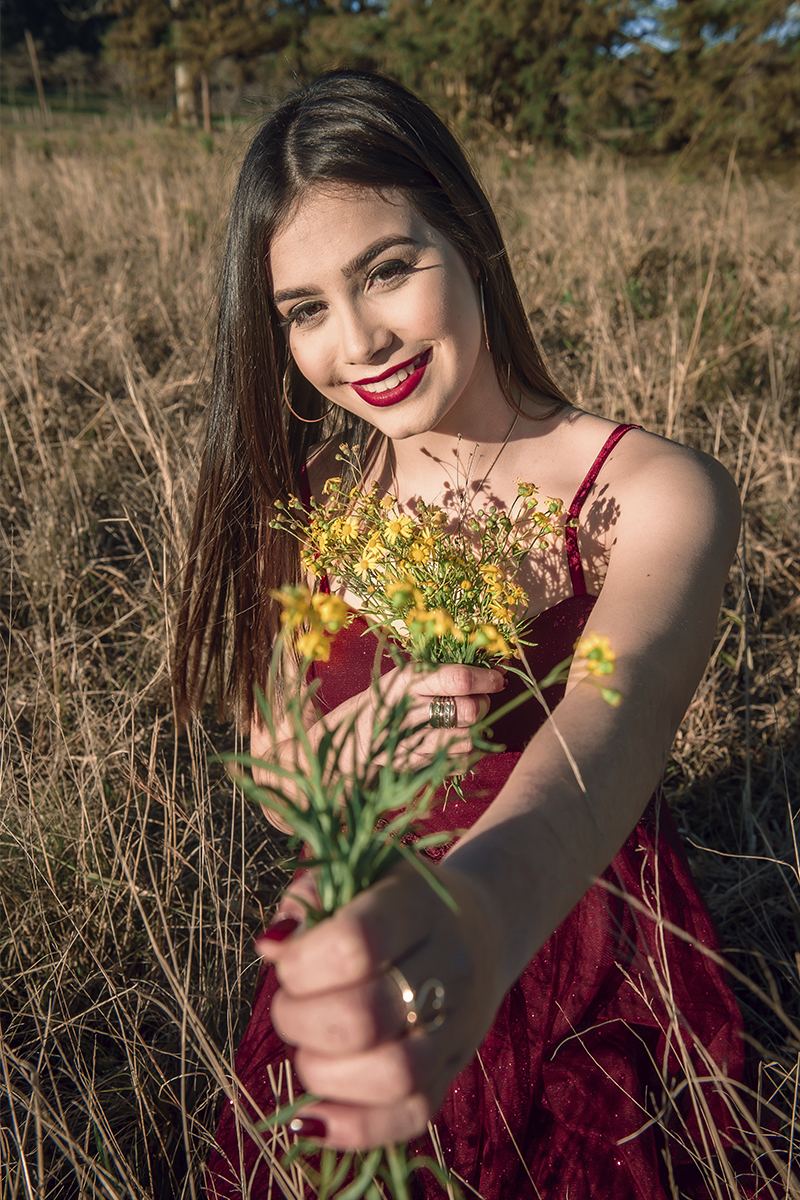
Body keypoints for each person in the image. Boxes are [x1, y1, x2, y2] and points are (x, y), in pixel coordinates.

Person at [174, 70, 754, 1200]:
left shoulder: (651, 491)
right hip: (361, 949)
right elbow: (281, 775)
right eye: (302, 309)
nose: (356, 342)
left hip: (580, 951)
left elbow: (609, 725)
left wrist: (485, 918)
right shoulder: (307, 507)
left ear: (469, 235)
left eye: (387, 269)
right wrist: (356, 749)